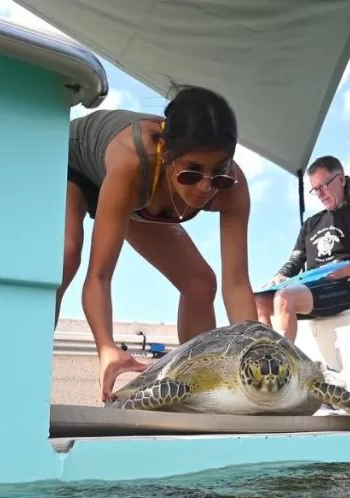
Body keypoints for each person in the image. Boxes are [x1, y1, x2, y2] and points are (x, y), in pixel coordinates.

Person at [61, 85, 258, 402]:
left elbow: (236, 282)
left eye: (218, 173)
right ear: (167, 154)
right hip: (78, 162)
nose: (206, 188)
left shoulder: (232, 188)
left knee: (199, 283)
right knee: (65, 256)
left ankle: (197, 387)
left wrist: (258, 349)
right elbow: (99, 276)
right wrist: (106, 346)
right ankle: (28, 380)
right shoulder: (133, 164)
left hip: (141, 197)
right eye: (192, 173)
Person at [255, 155, 350, 342]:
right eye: (315, 190)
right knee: (259, 301)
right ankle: (269, 359)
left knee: (285, 297)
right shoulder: (310, 224)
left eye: (323, 186)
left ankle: (282, 367)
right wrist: (281, 275)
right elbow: (295, 260)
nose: (320, 194)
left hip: (347, 287)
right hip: (311, 288)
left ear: (341, 179)